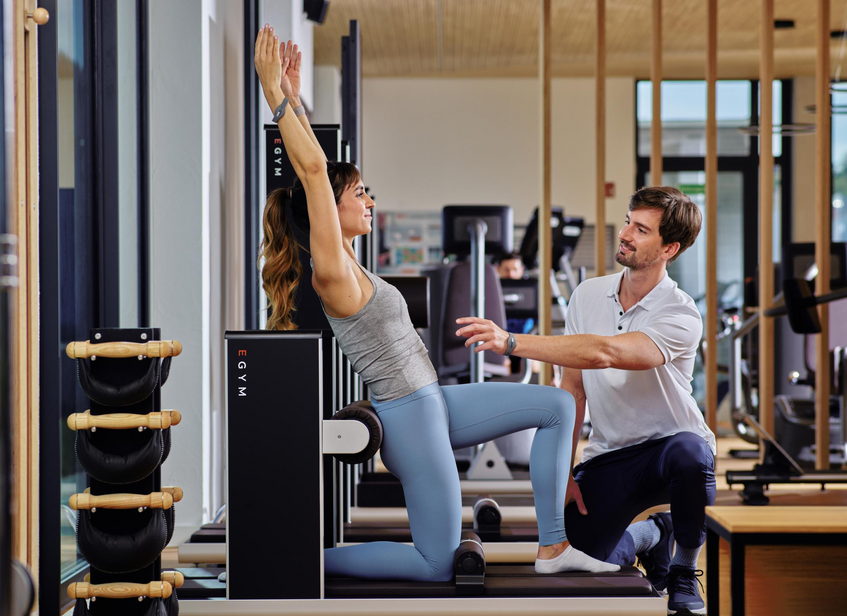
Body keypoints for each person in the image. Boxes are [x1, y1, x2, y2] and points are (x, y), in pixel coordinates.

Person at [253, 26, 620, 582]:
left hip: (434, 401)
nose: (368, 200)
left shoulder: (353, 263)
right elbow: (313, 175)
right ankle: (298, 561)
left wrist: (298, 101)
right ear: (328, 209)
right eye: (358, 194)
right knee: (436, 564)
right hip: (410, 420)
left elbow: (318, 171)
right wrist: (274, 96)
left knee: (558, 407)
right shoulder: (331, 274)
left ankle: (553, 547)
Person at [456, 186, 717, 616]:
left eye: (642, 229)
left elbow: (606, 353)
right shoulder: (587, 295)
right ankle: (654, 534)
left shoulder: (680, 313)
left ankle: (684, 570)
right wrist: (567, 471)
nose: (626, 233)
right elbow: (572, 389)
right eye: (629, 221)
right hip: (612, 454)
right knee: (584, 562)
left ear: (669, 247)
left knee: (691, 453)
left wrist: (511, 342)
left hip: (670, 451)